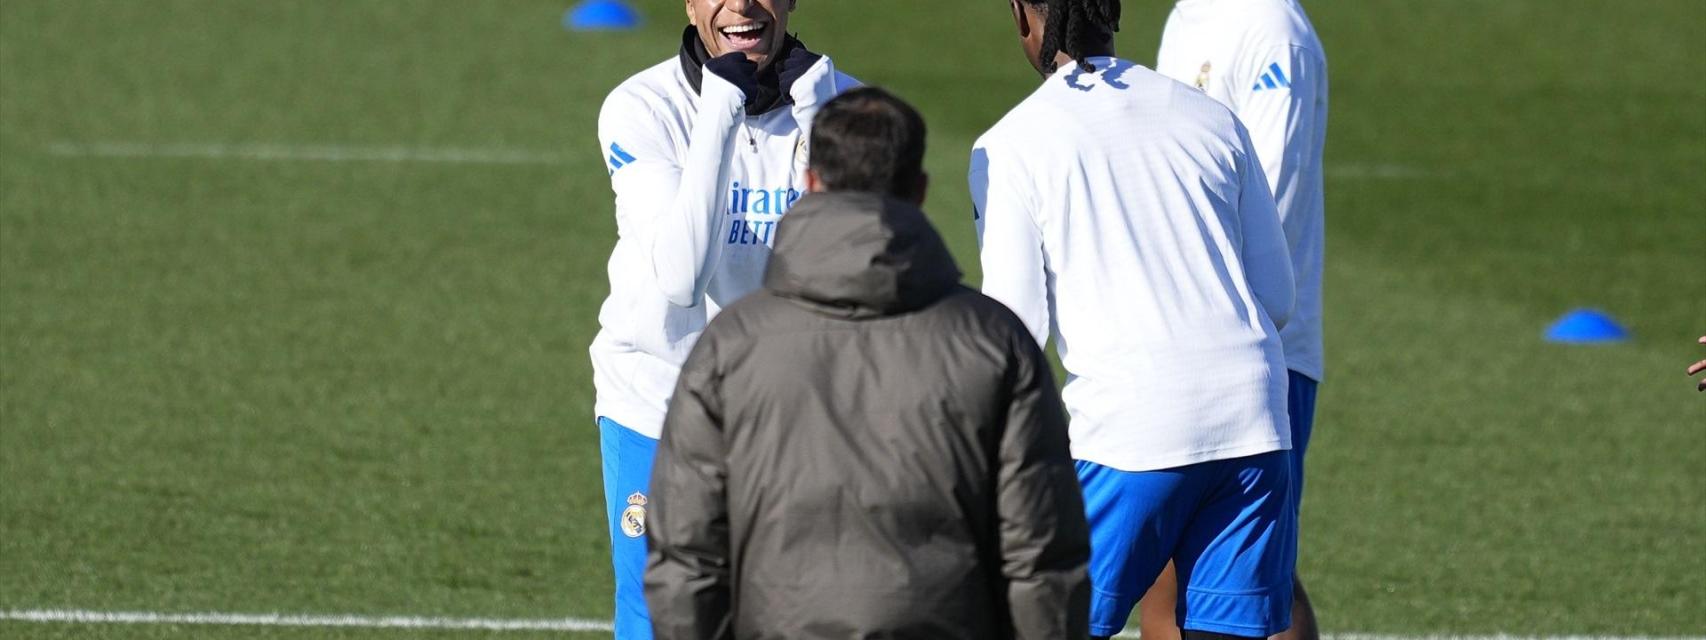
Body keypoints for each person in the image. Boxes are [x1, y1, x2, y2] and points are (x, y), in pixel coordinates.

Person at [645, 87, 1091, 640]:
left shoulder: (730, 345)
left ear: (809, 184)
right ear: (921, 190)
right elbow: (1041, 551)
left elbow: (687, 552)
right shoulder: (995, 342)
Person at [972, 0, 1297, 638]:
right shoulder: (1212, 118)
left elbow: (1016, 329)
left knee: (1047, 626)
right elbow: (1276, 298)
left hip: (1128, 434)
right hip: (1254, 420)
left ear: (1020, 15)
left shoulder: (1011, 143)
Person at [590, 1, 857, 637]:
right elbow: (682, 278)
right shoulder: (641, 108)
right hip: (659, 408)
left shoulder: (845, 106)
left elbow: (849, 272)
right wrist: (720, 106)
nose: (740, 4)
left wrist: (819, 115)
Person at [1150, 2, 1330, 638]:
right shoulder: (1186, 19)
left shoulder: (1272, 30)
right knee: (1170, 561)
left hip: (1260, 348)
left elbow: (1272, 209)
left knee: (1256, 575)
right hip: (1181, 334)